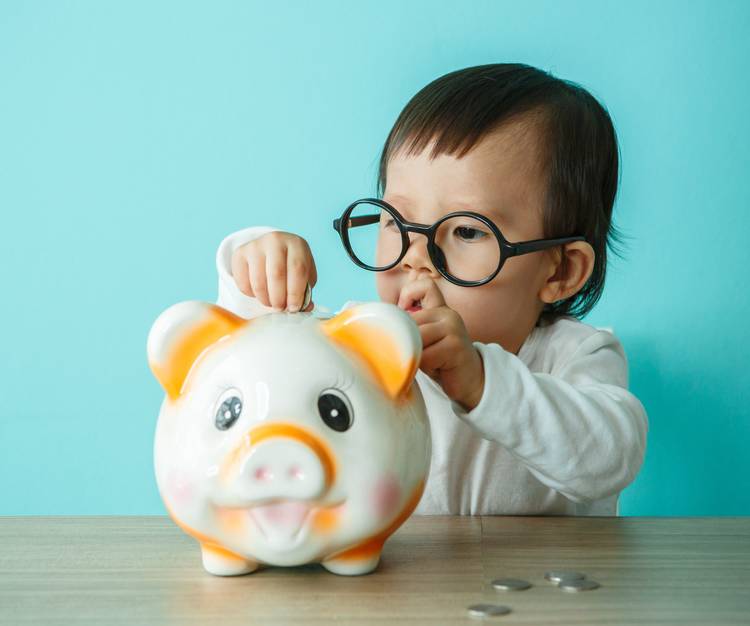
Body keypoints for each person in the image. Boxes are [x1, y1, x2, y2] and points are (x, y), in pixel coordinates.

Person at [214, 63, 648, 516]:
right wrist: (263, 281)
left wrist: (480, 381)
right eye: (395, 221)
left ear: (559, 270)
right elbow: (258, 373)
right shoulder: (361, 343)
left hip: (540, 583)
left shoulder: (576, 355)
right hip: (401, 583)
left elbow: (610, 457)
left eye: (466, 231)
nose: (415, 255)